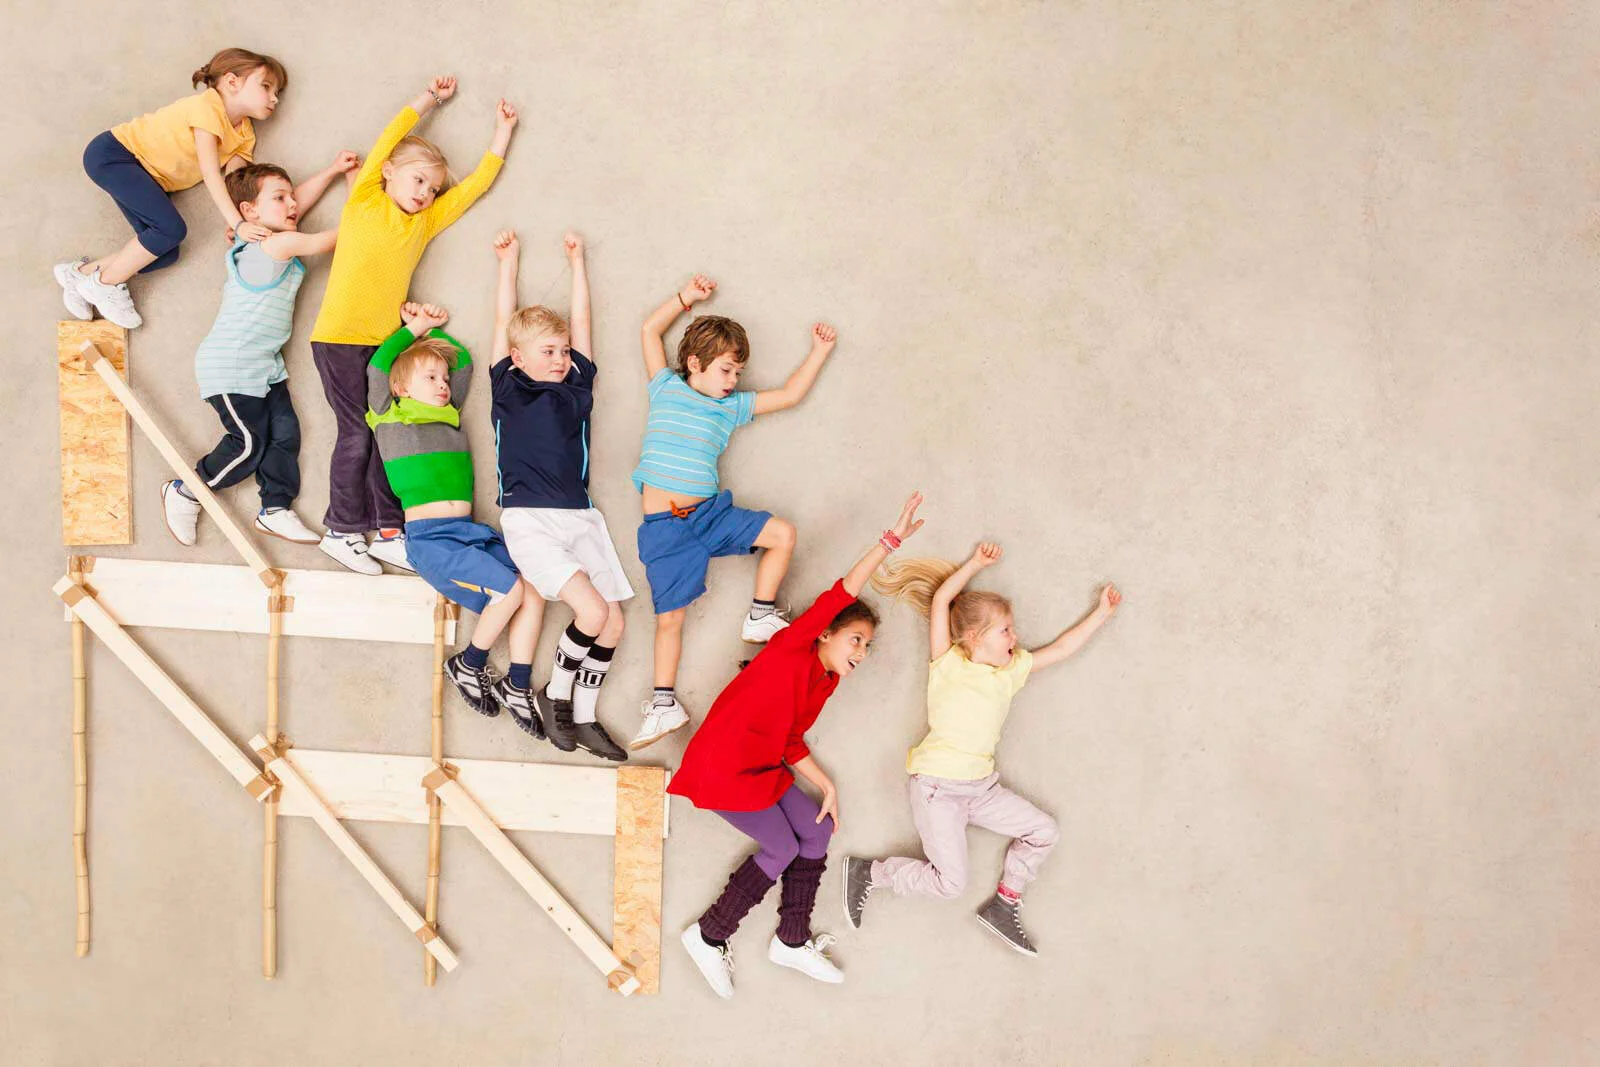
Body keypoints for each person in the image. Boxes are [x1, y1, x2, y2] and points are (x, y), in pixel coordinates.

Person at [674, 492, 925, 998]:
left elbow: (791, 740)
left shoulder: (824, 683)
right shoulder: (792, 645)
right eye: (856, 639)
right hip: (722, 768)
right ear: (826, 633)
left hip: (761, 767)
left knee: (818, 829)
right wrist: (890, 542)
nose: (862, 652)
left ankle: (790, 941)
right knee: (783, 845)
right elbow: (845, 588)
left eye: (868, 646)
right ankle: (709, 934)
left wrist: (826, 785)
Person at [841, 543, 1122, 956]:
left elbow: (1061, 649)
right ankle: (871, 873)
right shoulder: (947, 663)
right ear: (975, 638)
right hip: (938, 790)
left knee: (1044, 831)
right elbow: (941, 600)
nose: (1015, 637)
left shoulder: (1011, 671)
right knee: (949, 884)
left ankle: (1004, 904)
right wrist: (975, 564)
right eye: (1006, 630)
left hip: (981, 790)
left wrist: (1102, 613)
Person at [309, 74, 516, 575]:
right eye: (418, 180)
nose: (426, 193)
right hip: (338, 339)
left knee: (386, 433)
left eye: (433, 188)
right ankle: (341, 530)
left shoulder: (423, 223)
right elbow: (390, 135)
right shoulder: (364, 199)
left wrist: (502, 133)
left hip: (385, 344)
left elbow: (474, 188)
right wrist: (430, 99)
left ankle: (388, 532)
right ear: (388, 173)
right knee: (356, 434)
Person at [630, 272, 839, 749]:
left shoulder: (731, 408)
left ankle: (760, 613)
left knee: (782, 534)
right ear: (694, 363)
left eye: (738, 374)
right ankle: (663, 704)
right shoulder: (665, 387)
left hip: (710, 516)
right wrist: (686, 297)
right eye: (726, 370)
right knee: (669, 621)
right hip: (666, 531)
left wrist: (819, 352)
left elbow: (789, 395)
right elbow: (649, 330)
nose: (733, 381)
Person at [159, 157, 358, 548]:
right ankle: (187, 490)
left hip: (265, 366)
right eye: (279, 198)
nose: (293, 204)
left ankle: (275, 508)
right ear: (249, 212)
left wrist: (332, 170)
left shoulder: (259, 238)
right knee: (248, 444)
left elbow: (295, 204)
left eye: (291, 197)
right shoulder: (275, 244)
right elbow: (335, 238)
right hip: (231, 367)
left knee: (285, 434)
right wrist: (358, 192)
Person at [486, 230, 631, 760]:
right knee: (592, 614)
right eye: (547, 351)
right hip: (530, 520)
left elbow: (583, 323)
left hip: (580, 517)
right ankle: (554, 695)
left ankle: (584, 716)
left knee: (613, 623)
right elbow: (503, 322)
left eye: (563, 351)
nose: (559, 358)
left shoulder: (577, 385)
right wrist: (509, 264)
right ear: (518, 357)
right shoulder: (507, 386)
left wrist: (577, 264)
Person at [366, 302, 544, 723]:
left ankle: (518, 684)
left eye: (443, 379)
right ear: (401, 388)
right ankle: (469, 663)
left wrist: (436, 339)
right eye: (430, 378)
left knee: (534, 587)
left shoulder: (449, 413)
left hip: (468, 532)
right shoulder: (389, 415)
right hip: (431, 540)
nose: (443, 384)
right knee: (510, 591)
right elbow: (378, 367)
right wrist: (416, 329)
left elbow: (462, 361)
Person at [53, 47, 287, 329]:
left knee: (166, 251)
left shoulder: (245, 134)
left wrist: (240, 220)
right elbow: (210, 172)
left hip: (147, 178)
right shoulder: (208, 107)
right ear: (231, 82)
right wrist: (237, 224)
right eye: (266, 86)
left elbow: (233, 181)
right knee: (171, 230)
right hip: (117, 156)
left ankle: (79, 274)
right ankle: (104, 283)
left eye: (277, 92)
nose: (274, 98)